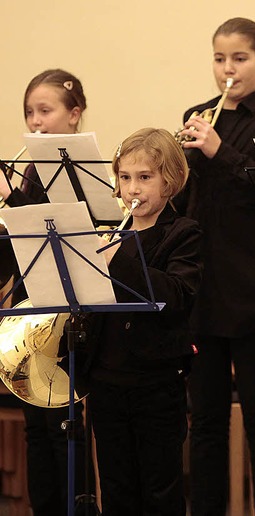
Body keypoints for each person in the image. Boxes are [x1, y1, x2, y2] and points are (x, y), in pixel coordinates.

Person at [174, 16, 255, 516]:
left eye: (240, 58)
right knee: (203, 422)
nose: (229, 69)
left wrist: (218, 150)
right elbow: (188, 202)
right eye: (220, 58)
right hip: (203, 291)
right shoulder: (197, 114)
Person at [85, 127, 202, 515]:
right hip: (107, 380)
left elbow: (176, 295)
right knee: (116, 488)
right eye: (125, 177)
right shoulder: (106, 236)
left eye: (145, 177)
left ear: (170, 182)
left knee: (159, 490)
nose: (133, 189)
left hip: (156, 383)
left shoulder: (183, 233)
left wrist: (118, 260)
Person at [0, 69, 92, 516]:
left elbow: (64, 227)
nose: (35, 121)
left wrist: (13, 199)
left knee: (63, 426)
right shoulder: (30, 171)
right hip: (30, 310)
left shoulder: (80, 170)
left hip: (69, 314)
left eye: (46, 111)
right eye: (29, 112)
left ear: (74, 115)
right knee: (35, 428)